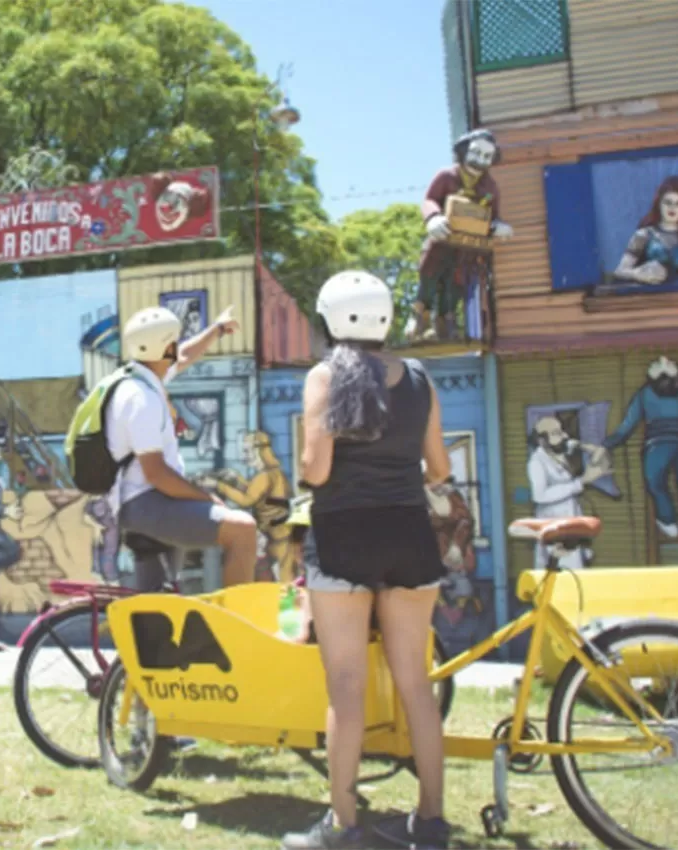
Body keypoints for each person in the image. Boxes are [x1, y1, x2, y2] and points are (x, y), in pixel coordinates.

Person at [282, 271, 452, 850]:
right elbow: (440, 470)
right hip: (409, 534)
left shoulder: (325, 376)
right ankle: (431, 821)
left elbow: (317, 471)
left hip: (344, 538)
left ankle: (344, 827)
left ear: (330, 318)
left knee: (347, 688)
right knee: (415, 683)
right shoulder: (422, 380)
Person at [106, 306, 258, 592]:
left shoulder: (140, 377)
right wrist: (208, 499)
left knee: (157, 603)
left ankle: (154, 633)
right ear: (165, 349)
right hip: (145, 502)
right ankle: (235, 627)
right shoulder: (142, 400)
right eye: (173, 341)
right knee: (242, 530)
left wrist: (217, 329)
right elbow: (157, 474)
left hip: (143, 500)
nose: (177, 347)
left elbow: (185, 355)